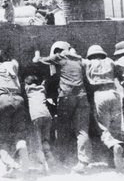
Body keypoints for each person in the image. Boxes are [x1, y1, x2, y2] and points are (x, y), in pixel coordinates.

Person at [33, 41, 91, 173]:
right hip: (82, 95)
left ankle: (62, 157)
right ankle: (83, 161)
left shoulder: (59, 56)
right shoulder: (79, 59)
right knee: (82, 129)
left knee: (63, 126)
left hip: (66, 95)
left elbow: (37, 60)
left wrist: (36, 53)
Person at [0, 49, 30, 178]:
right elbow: (15, 62)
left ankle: (11, 164)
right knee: (18, 133)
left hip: (3, 99)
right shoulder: (11, 66)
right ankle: (22, 146)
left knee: (0, 138)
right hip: (18, 99)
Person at [82, 45, 124, 170]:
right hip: (114, 93)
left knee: (103, 128)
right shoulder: (111, 62)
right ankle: (115, 158)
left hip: (100, 95)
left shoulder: (88, 63)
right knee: (116, 127)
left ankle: (113, 145)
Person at [24, 75, 56, 173]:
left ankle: (42, 166)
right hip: (47, 115)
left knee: (37, 142)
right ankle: (51, 162)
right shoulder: (42, 89)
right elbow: (44, 83)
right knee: (45, 140)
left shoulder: (27, 89)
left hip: (35, 116)